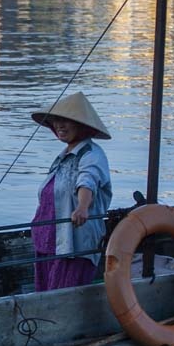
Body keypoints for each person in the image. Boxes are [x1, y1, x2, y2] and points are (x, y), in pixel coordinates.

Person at [30, 92, 113, 292]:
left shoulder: (92, 155)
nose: (60, 125)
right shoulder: (62, 157)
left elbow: (87, 181)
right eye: (57, 121)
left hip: (73, 244)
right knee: (43, 294)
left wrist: (82, 207)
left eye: (67, 121)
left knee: (62, 294)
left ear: (82, 126)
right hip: (47, 240)